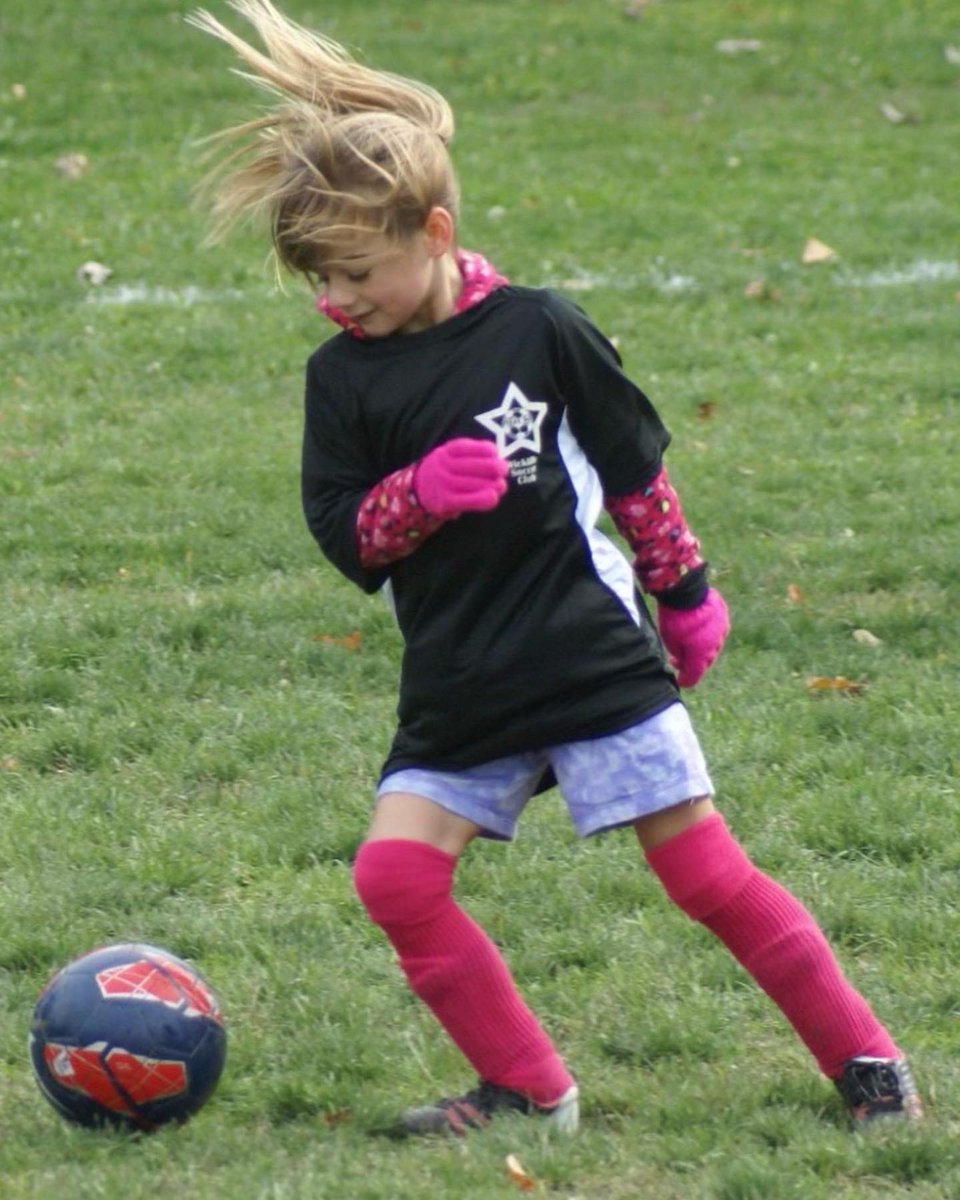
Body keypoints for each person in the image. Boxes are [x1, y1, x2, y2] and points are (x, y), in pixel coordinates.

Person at [190, 0, 921, 1136]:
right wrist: (413, 497)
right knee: (394, 879)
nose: (339, 303)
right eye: (318, 285)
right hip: (461, 674)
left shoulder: (541, 330)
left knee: (704, 877)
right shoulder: (341, 380)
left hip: (585, 653)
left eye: (358, 275)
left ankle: (870, 1063)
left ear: (433, 234)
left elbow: (636, 473)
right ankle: (531, 1092)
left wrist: (684, 595)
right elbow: (344, 536)